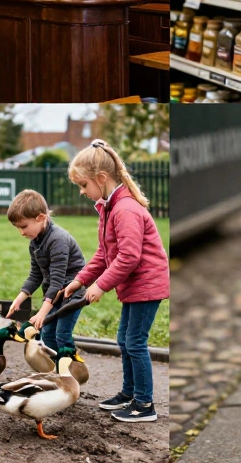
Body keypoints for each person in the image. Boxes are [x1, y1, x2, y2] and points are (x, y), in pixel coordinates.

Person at [60, 139, 169, 424]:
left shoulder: (125, 210)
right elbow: (104, 252)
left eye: (83, 185)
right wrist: (81, 280)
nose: (82, 192)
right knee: (124, 338)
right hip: (135, 286)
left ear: (101, 178)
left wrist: (100, 286)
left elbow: (129, 257)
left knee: (134, 342)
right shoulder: (109, 208)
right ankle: (129, 393)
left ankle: (145, 404)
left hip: (147, 285)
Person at [6, 189, 87, 354]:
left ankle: (71, 370)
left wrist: (42, 313)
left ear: (41, 218)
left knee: (61, 334)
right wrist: (19, 299)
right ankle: (56, 371)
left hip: (72, 293)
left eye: (24, 226)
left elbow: (57, 281)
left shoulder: (58, 240)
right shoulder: (35, 243)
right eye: (17, 228)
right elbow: (35, 276)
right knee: (47, 334)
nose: (21, 232)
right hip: (54, 294)